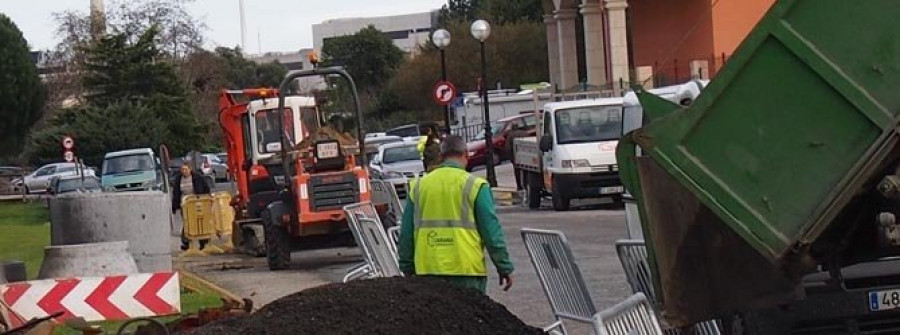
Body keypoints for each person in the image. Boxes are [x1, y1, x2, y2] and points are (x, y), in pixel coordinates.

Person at [398, 135, 514, 293]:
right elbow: (491, 232)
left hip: (428, 269)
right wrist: (504, 266)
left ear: (441, 156)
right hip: (466, 270)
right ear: (465, 154)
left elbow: (406, 233)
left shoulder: (419, 187)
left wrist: (407, 266)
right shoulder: (476, 186)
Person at [172, 162, 211, 250]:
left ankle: (203, 242)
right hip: (185, 204)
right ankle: (186, 242)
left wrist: (206, 199)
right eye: (182, 170)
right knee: (187, 223)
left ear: (190, 169)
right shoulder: (178, 179)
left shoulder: (197, 177)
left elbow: (206, 188)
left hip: (197, 203)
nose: (184, 171)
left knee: (200, 222)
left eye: (186, 169)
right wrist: (174, 206)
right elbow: (176, 193)